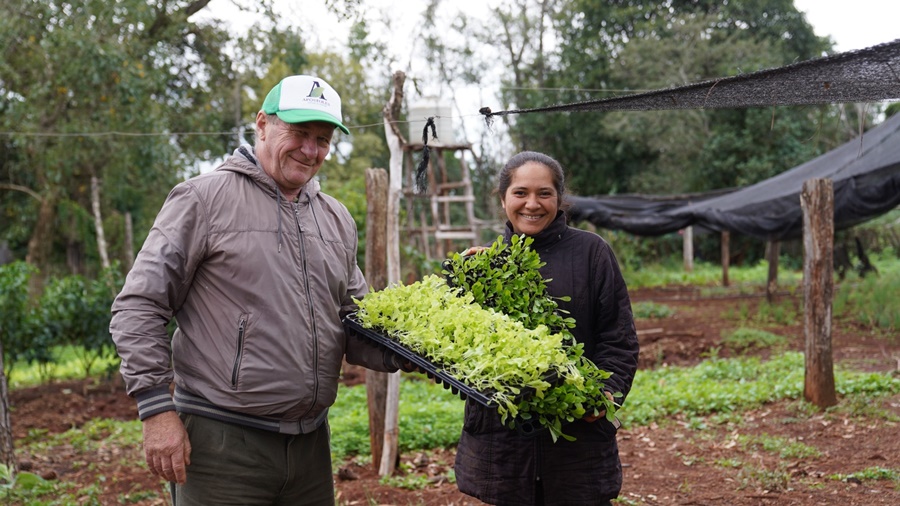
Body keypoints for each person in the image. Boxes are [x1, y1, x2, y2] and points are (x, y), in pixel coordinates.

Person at [110, 75, 403, 505]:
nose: (311, 150)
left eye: (322, 139)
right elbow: (139, 305)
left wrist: (416, 351)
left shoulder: (335, 218)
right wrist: (156, 408)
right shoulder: (203, 199)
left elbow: (355, 322)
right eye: (299, 133)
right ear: (262, 124)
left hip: (310, 446)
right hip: (222, 445)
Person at [453, 151, 640, 506]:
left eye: (544, 194)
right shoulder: (482, 265)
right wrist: (466, 281)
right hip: (504, 444)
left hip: (577, 441)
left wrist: (607, 391)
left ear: (560, 198)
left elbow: (619, 339)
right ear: (504, 198)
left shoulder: (591, 252)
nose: (532, 204)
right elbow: (459, 351)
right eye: (520, 193)